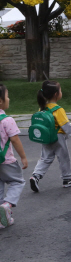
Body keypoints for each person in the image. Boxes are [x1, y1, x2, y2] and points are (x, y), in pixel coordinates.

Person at [29, 81, 71, 192]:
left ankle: (35, 176)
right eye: (60, 90)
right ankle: (67, 179)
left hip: (45, 137)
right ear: (56, 94)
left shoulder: (42, 108)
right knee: (63, 158)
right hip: (58, 137)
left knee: (45, 158)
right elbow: (67, 128)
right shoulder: (58, 110)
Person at [0, 84, 27, 229]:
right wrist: (23, 157)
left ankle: (2, 218)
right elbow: (15, 140)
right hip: (6, 161)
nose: (8, 99)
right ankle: (7, 204)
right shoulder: (7, 120)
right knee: (17, 182)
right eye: (7, 96)